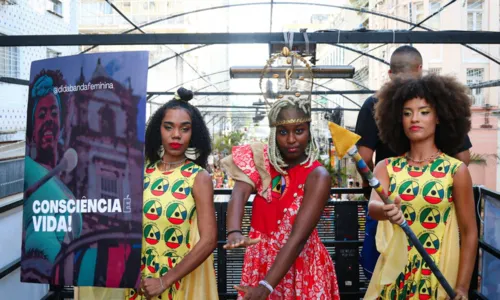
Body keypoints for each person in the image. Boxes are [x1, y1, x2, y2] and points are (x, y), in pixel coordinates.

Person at [79, 88, 219, 299]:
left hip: (177, 284)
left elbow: (209, 240)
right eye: (168, 127)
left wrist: (165, 280)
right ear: (158, 130)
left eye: (185, 128)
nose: (176, 135)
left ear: (193, 133)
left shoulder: (198, 177)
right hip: (135, 284)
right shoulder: (140, 173)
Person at [355, 45, 473, 280]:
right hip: (397, 263)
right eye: (407, 113)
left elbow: (364, 158)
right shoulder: (388, 167)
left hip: (435, 269)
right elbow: (465, 157)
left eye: (424, 112)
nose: (415, 118)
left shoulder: (454, 171)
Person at [221, 97, 339, 299]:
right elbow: (239, 192)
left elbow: (298, 238)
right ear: (274, 133)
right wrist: (234, 232)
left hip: (301, 267)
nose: (291, 139)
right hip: (261, 263)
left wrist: (265, 287)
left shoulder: (318, 176)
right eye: (283, 132)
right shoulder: (261, 161)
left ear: (309, 132)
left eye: (299, 131)